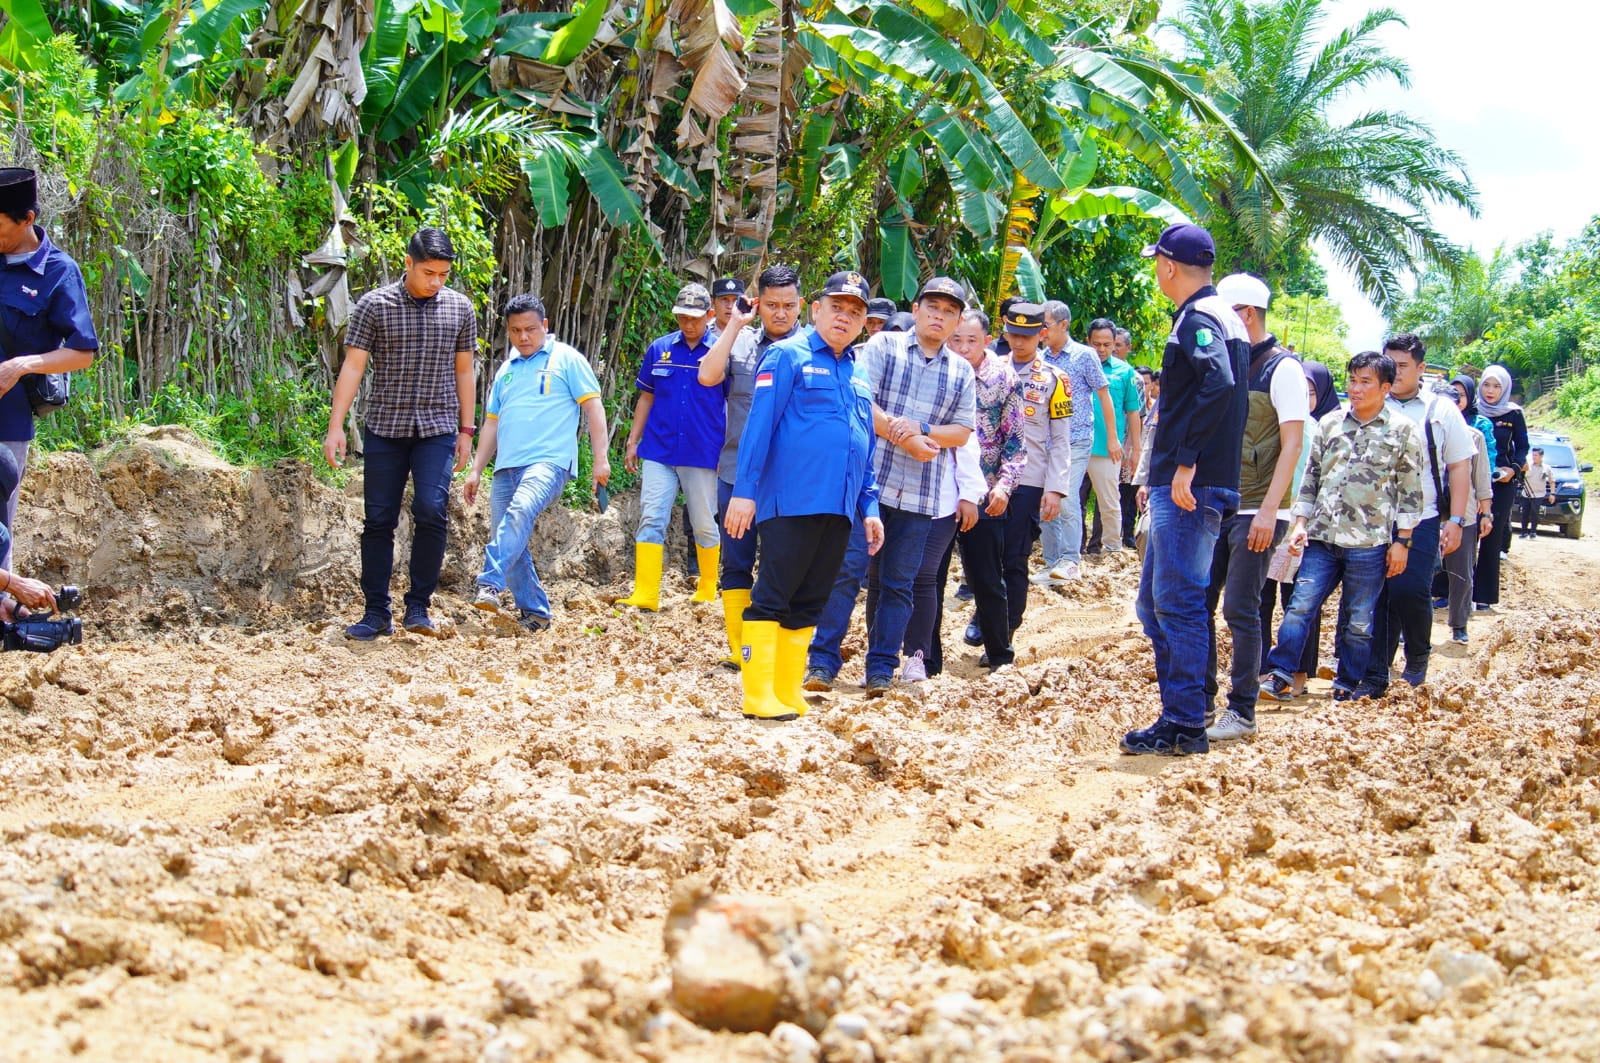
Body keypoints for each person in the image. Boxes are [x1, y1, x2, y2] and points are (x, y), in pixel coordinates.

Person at [725, 271, 883, 720]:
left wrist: (869, 506)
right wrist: (744, 492)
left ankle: (785, 692)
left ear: (863, 322)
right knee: (772, 596)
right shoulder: (785, 355)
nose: (844, 318)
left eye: (855, 312)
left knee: (811, 599)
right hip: (790, 501)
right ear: (817, 310)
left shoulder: (858, 371)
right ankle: (757, 695)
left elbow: (863, 442)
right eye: (837, 307)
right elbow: (758, 427)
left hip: (840, 506)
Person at [805, 277, 976, 695]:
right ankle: (822, 661)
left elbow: (962, 432)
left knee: (900, 584)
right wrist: (909, 439)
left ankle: (881, 668)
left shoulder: (961, 371)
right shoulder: (884, 347)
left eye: (949, 311)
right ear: (915, 311)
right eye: (932, 307)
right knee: (845, 573)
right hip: (868, 488)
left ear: (957, 321)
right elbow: (862, 401)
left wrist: (918, 429)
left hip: (920, 494)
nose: (939, 316)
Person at [1121, 223, 1248, 757]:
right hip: (1191, 481)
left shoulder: (1200, 317)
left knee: (1178, 603)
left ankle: (1185, 722)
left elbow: (1217, 382)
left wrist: (1185, 463)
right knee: (1156, 605)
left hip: (1192, 485)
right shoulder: (1217, 316)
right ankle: (1182, 714)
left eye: (1157, 262)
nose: (1156, 270)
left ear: (1169, 266)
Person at [326, 227, 478, 640]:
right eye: (429, 272)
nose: (436, 281)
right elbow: (354, 366)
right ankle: (376, 611)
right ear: (408, 263)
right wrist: (336, 425)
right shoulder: (375, 305)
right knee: (378, 519)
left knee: (431, 510)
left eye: (444, 274)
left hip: (437, 427)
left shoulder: (460, 309)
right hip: (386, 427)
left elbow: (464, 371)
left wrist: (467, 430)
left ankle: (418, 607)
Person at [1261, 351, 1424, 703]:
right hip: (1321, 536)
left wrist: (1403, 542)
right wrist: (1300, 523)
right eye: (1352, 380)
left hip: (1370, 542)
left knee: (1360, 620)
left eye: (1366, 382)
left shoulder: (1403, 431)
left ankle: (1348, 682)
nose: (1356, 388)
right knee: (1301, 606)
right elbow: (1311, 478)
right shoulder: (1330, 424)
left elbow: (1411, 490)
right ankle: (1280, 673)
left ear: (1385, 388)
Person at [1202, 274, 1307, 743]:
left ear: (1244, 314)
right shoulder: (1226, 361)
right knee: (1198, 603)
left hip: (1257, 509)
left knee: (1241, 609)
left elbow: (1292, 445)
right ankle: (1201, 699)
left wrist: (1269, 511)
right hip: (1217, 502)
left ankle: (1242, 708)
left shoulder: (1282, 370)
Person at [465, 295, 609, 632]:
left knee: (518, 514)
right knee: (509, 537)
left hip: (549, 462)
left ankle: (489, 582)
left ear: (545, 326)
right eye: (515, 331)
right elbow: (492, 424)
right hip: (506, 467)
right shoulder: (506, 370)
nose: (524, 337)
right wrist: (475, 469)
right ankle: (536, 613)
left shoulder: (567, 359)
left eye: (530, 329)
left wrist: (600, 460)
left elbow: (594, 408)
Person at [1353, 333, 1472, 694]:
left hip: (1422, 515)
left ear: (1421, 369)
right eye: (1390, 363)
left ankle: (1418, 656)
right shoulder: (1370, 405)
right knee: (1378, 594)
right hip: (1374, 518)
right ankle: (1376, 671)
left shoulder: (1441, 411)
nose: (1396, 371)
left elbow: (1459, 466)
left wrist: (1456, 520)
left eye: (1403, 365)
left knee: (1409, 589)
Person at [698, 265, 803, 667]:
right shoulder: (739, 344)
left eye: (789, 305)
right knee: (736, 564)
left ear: (801, 305)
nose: (780, 313)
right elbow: (708, 376)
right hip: (736, 473)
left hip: (789, 479)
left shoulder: (812, 348)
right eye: (772, 305)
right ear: (757, 304)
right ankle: (743, 652)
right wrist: (734, 325)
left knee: (784, 565)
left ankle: (775, 650)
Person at [0, 168, 99, 572]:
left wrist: (23, 365)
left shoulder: (58, 271)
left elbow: (83, 352)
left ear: (28, 219)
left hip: (7, 419)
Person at [964, 302, 1070, 658]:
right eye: (1014, 334)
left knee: (1013, 557)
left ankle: (1006, 627)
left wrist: (1055, 489)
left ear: (1042, 335)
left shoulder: (1054, 379)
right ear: (1004, 332)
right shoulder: (989, 369)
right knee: (983, 558)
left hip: (1030, 480)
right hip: (988, 479)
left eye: (1027, 336)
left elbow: (1060, 438)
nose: (1020, 342)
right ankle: (986, 614)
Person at [616, 282, 725, 610]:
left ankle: (707, 585)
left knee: (705, 521)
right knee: (651, 517)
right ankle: (646, 592)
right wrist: (632, 441)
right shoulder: (659, 348)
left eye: (695, 317)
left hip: (703, 451)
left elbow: (733, 402)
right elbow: (646, 397)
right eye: (682, 317)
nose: (688, 324)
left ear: (709, 315)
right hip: (659, 449)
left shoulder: (721, 352)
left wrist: (730, 451)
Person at [932, 308, 1025, 675]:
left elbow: (1016, 443)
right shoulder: (937, 370)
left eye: (972, 340)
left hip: (984, 493)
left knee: (986, 576)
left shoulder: (1003, 377)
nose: (963, 347)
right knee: (932, 578)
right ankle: (928, 656)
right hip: (937, 491)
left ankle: (999, 652)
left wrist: (1003, 486)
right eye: (957, 339)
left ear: (987, 340)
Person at [1258, 359, 1341, 694]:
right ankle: (1261, 669)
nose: (1302, 398)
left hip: (1304, 525)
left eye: (1309, 393)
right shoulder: (1269, 423)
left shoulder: (1325, 431)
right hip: (1266, 518)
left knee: (1301, 602)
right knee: (1260, 598)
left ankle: (1300, 674)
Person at [1035, 301, 1110, 583]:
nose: (1041, 331)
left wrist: (1113, 439)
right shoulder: (1041, 359)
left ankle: (1070, 560)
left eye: (1046, 325)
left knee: (1064, 498)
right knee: (1046, 502)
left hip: (1076, 440)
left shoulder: (1084, 356)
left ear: (1063, 325)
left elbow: (1103, 395)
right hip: (1045, 443)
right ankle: (1051, 562)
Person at [1432, 376, 1494, 644]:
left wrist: (1487, 512)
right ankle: (1405, 629)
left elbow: (1481, 476)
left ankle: (1459, 624)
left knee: (1461, 573)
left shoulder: (1474, 437)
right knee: (1419, 572)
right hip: (1427, 513)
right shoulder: (1420, 432)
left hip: (1464, 514)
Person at [1080, 317, 1140, 557]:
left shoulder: (1125, 372)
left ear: (1115, 343)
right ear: (1088, 341)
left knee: (1109, 501)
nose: (1102, 349)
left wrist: (1136, 450)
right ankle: (1074, 549)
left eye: (1107, 344)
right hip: (1077, 443)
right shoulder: (1077, 365)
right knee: (1071, 500)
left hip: (1108, 447)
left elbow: (1133, 411)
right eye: (1097, 344)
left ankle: (1112, 550)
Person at [1472, 364, 1527, 610]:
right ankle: (1451, 592)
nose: (1491, 391)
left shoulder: (1513, 414)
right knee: (1465, 535)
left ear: (1505, 389)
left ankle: (1483, 596)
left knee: (1491, 538)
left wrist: (1512, 470)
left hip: (1502, 484)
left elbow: (1523, 447)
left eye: (1496, 386)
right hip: (1471, 481)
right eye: (1486, 385)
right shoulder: (1471, 409)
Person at [1520, 446, 1555, 538]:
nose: (1534, 457)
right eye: (1533, 455)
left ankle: (1533, 532)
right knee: (1525, 513)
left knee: (1535, 513)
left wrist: (1552, 493)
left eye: (1536, 455)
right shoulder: (1527, 466)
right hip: (1526, 493)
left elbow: (1552, 481)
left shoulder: (1546, 468)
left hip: (1538, 494)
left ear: (1541, 456)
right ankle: (1524, 532)